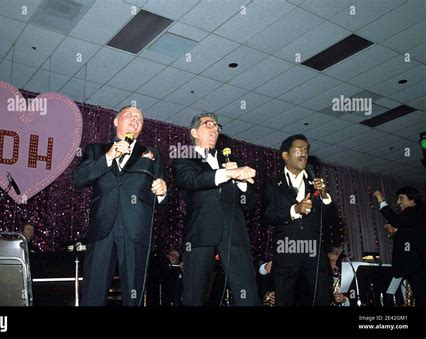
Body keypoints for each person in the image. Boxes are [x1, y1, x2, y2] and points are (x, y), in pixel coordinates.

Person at [74, 106, 168, 306]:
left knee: (133, 294)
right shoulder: (96, 150)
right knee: (93, 292)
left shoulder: (152, 153)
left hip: (136, 229)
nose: (136, 119)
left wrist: (162, 191)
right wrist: (108, 157)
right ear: (116, 121)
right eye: (130, 115)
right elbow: (79, 179)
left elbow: (162, 193)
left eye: (140, 119)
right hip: (102, 228)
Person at [172, 113, 259, 306]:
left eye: (217, 127)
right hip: (199, 233)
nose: (214, 129)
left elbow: (250, 203)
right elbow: (191, 180)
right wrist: (228, 173)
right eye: (208, 125)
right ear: (194, 132)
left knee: (248, 294)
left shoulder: (231, 160)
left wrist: (242, 182)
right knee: (193, 296)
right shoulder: (183, 158)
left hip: (234, 233)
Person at [263, 134, 333, 306]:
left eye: (306, 150)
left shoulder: (315, 183)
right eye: (299, 150)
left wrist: (324, 194)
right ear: (285, 155)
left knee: (322, 296)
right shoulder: (273, 184)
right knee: (284, 298)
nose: (304, 154)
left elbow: (329, 218)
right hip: (286, 248)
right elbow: (269, 216)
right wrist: (295, 210)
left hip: (314, 250)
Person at [373, 187, 426, 306]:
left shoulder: (414, 211)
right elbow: (412, 235)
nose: (398, 203)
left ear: (413, 200)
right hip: (418, 266)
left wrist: (381, 200)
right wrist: (396, 232)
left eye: (401, 198)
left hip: (418, 266)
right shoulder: (418, 215)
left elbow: (396, 220)